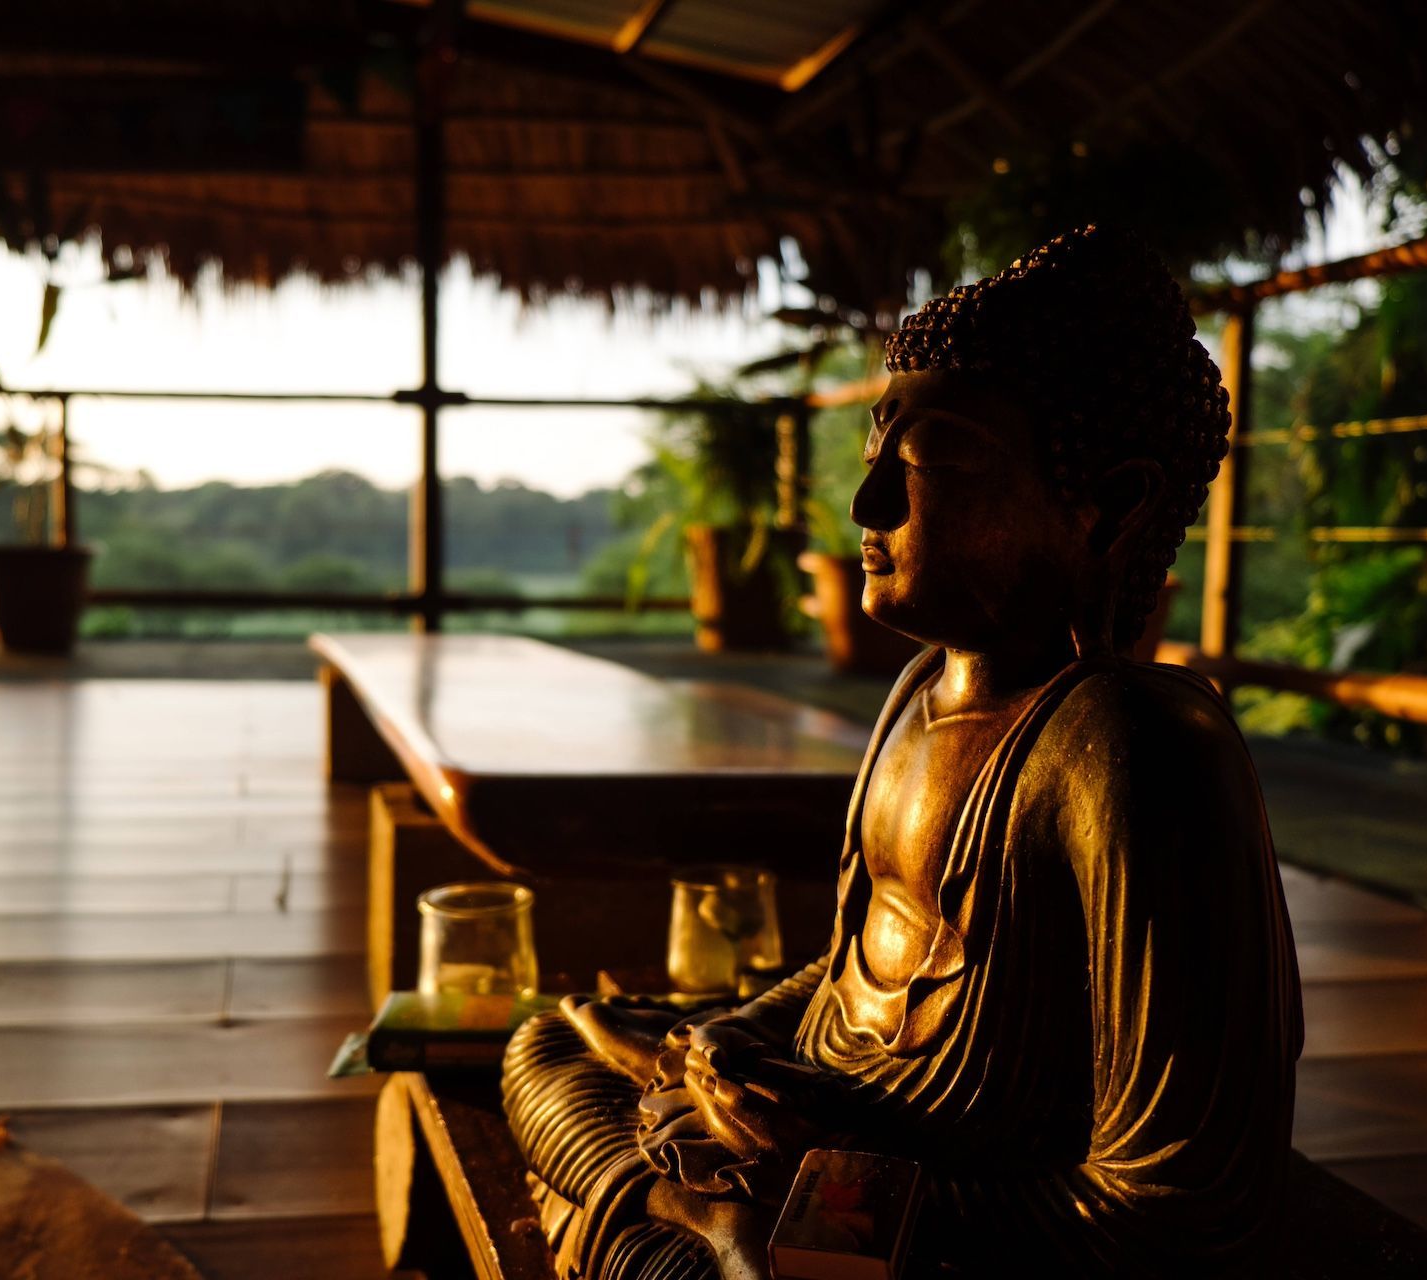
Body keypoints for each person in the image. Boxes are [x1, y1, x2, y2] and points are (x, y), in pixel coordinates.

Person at [502, 226, 1303, 1278]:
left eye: (934, 462)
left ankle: (677, 1226)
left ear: (1111, 502)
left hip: (959, 1200)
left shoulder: (1139, 744)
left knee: (757, 1225)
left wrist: (847, 1180)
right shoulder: (918, 690)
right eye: (877, 446)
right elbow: (858, 974)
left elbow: (1176, 1209)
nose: (868, 503)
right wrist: (734, 1036)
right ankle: (694, 1220)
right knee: (546, 1047)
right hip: (818, 1129)